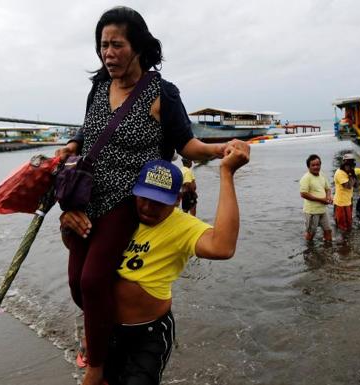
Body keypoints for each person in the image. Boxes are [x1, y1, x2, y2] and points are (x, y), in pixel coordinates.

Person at [55, 7, 231, 385]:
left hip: (129, 196)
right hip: (89, 194)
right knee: (75, 282)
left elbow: (186, 142)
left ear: (139, 46)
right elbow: (89, 130)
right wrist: (70, 145)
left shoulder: (161, 92)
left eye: (117, 44)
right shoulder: (99, 87)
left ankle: (97, 368)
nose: (108, 53)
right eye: (103, 45)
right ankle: (101, 335)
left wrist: (219, 152)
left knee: (92, 280)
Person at [100, 143, 250, 385]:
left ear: (177, 199)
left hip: (148, 335)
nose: (148, 208)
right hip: (105, 328)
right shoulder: (121, 214)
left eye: (159, 202)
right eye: (144, 199)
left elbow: (223, 247)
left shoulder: (182, 226)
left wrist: (227, 174)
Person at [299, 154, 332, 241]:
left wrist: (328, 197)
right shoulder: (306, 178)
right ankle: (309, 252)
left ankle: (328, 251)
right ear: (308, 167)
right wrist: (321, 200)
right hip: (312, 211)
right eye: (313, 165)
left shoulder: (322, 175)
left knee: (328, 230)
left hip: (323, 210)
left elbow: (328, 188)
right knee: (311, 234)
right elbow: (303, 194)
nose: (316, 167)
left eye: (318, 165)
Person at [333, 153, 357, 232]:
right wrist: (351, 175)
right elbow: (348, 186)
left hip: (348, 201)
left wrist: (352, 174)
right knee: (342, 226)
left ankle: (347, 240)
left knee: (349, 224)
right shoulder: (340, 173)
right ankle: (342, 242)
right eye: (347, 162)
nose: (349, 163)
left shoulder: (350, 171)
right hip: (341, 203)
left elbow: (356, 185)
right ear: (343, 162)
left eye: (351, 161)